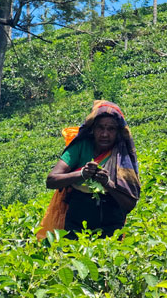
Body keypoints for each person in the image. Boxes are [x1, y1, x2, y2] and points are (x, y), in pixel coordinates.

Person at [44, 100, 141, 239]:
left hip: (111, 226)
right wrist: (82, 174)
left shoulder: (122, 155)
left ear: (117, 132)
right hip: (76, 222)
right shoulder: (80, 147)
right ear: (92, 129)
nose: (105, 134)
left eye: (111, 129)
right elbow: (51, 180)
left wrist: (108, 184)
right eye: (100, 128)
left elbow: (130, 204)